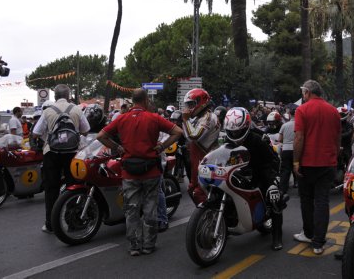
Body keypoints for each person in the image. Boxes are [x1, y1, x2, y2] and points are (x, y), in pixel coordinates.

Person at [97, 89, 182, 256]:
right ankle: (148, 245)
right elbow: (178, 132)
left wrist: (118, 148)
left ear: (133, 101)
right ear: (145, 100)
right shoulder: (154, 118)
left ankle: (134, 246)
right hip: (151, 171)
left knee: (131, 210)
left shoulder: (122, 118)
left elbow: (101, 135)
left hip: (129, 172)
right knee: (150, 208)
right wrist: (162, 146)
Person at [32, 84, 90, 233]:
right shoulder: (77, 109)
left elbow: (36, 133)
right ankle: (73, 223)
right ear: (69, 95)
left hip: (51, 153)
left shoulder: (48, 111)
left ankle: (50, 224)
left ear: (55, 96)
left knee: (51, 189)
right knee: (74, 187)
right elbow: (86, 130)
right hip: (72, 153)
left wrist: (49, 138)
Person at [224, 107, 285, 251]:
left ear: (245, 126)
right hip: (240, 172)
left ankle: (277, 236)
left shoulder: (259, 138)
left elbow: (273, 160)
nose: (234, 133)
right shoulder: (227, 139)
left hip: (262, 171)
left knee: (274, 198)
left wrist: (273, 181)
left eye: (237, 131)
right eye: (231, 131)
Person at [292, 80, 341, 255]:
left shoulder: (302, 110)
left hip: (308, 162)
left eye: (303, 93)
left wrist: (295, 161)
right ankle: (318, 242)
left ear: (307, 92)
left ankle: (309, 233)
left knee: (306, 200)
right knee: (322, 201)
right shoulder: (333, 111)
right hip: (328, 162)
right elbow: (338, 137)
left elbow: (299, 138)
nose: (302, 96)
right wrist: (335, 156)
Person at [182, 88, 220, 204]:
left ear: (201, 102)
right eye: (188, 105)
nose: (189, 108)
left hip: (207, 159)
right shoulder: (200, 117)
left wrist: (185, 119)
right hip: (198, 159)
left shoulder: (208, 117)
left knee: (200, 193)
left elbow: (193, 136)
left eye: (191, 104)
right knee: (193, 189)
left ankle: (211, 219)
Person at [278, 104, 297, 193]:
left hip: (286, 150)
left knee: (285, 170)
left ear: (289, 115)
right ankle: (300, 187)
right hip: (296, 150)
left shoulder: (284, 125)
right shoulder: (299, 125)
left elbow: (280, 139)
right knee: (297, 168)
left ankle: (282, 189)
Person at [338, 106, 354, 173]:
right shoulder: (335, 124)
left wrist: (338, 136)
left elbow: (349, 134)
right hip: (338, 147)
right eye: (340, 114)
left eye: (342, 114)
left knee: (349, 164)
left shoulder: (349, 125)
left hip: (346, 147)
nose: (341, 116)